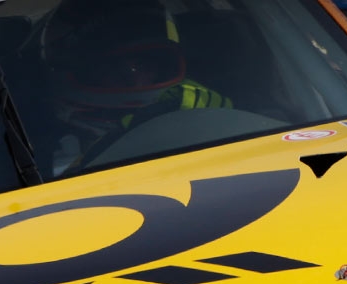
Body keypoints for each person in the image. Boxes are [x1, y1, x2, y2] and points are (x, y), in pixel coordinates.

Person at [37, 0, 234, 172]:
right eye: (123, 69)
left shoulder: (191, 102)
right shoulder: (45, 155)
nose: (142, 78)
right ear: (88, 73)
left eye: (147, 63)